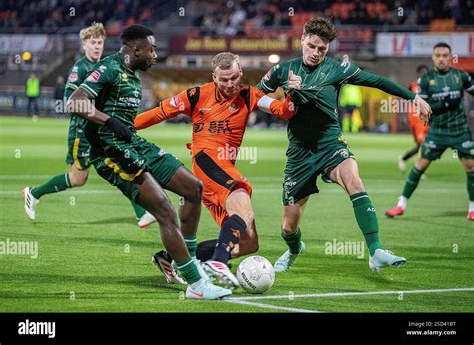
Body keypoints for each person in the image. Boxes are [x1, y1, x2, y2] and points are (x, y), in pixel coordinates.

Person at [65, 24, 231, 299]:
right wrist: (109, 121)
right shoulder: (108, 68)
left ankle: (186, 262)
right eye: (152, 49)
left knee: (193, 188)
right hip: (110, 151)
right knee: (164, 210)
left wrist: (122, 127)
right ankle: (196, 285)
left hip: (131, 143)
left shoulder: (133, 74)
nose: (155, 54)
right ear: (136, 49)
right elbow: (75, 102)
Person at [256, 17, 431, 273]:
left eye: (322, 49)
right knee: (288, 227)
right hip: (300, 154)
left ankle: (376, 250)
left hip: (331, 145)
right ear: (303, 38)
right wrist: (279, 103)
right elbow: (255, 96)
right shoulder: (284, 70)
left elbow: (377, 81)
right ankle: (295, 248)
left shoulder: (337, 69)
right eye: (312, 46)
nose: (316, 53)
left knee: (355, 181)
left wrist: (413, 97)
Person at [134, 52, 295, 288]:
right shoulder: (197, 94)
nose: (230, 85)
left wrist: (291, 91)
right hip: (206, 160)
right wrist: (125, 127)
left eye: (234, 78)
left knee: (249, 243)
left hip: (221, 171)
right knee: (244, 209)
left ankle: (169, 258)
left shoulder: (250, 95)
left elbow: (284, 111)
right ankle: (218, 263)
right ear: (214, 77)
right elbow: (160, 112)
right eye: (224, 80)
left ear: (240, 73)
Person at [22, 22, 155, 229]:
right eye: (92, 42)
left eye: (100, 42)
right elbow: (70, 100)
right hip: (81, 132)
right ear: (84, 45)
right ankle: (34, 192)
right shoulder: (80, 68)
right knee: (80, 177)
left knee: (115, 164)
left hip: (100, 130)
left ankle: (142, 213)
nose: (97, 46)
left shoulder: (107, 64)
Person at [386, 42, 474, 221]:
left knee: (471, 167)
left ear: (450, 57)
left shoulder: (461, 77)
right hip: (437, 132)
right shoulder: (425, 80)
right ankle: (401, 204)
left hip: (460, 131)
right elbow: (421, 107)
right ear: (433, 58)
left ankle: (472, 208)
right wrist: (443, 103)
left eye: (445, 55)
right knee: (419, 166)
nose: (441, 59)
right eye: (438, 56)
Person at [398, 65, 429, 172]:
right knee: (422, 144)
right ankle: (418, 169)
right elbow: (404, 99)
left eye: (425, 72)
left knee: (424, 145)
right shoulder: (412, 86)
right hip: (415, 119)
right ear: (418, 74)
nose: (423, 74)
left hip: (426, 119)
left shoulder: (430, 86)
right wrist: (403, 115)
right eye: (421, 72)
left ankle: (404, 159)